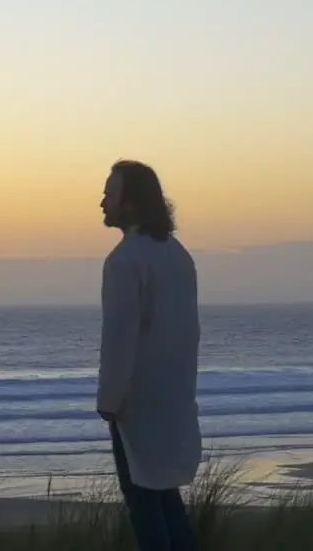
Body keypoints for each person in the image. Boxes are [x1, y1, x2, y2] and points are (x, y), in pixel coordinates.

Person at [96, 159, 202, 551]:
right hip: (172, 398)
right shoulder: (178, 255)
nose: (102, 201)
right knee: (164, 494)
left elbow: (119, 339)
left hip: (137, 403)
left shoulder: (125, 261)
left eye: (111, 193)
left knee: (144, 501)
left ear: (133, 202)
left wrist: (109, 401)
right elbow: (188, 333)